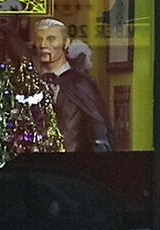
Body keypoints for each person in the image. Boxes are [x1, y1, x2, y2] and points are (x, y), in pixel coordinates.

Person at [27, 17, 113, 154]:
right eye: (39, 39)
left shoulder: (81, 84)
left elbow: (100, 133)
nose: (43, 45)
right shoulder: (28, 83)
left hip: (73, 167)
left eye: (51, 39)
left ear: (65, 43)